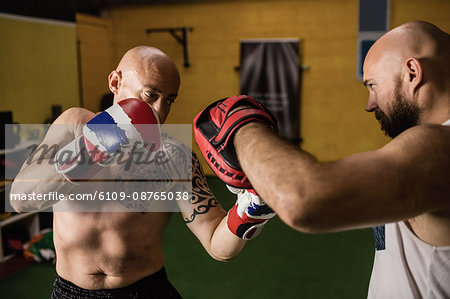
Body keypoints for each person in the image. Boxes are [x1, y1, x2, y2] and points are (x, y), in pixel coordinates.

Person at [195, 21, 450, 298]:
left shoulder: (441, 148)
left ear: (412, 72)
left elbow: (302, 198)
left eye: (373, 86)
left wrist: (241, 127)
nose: (370, 104)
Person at [10, 46, 275, 298]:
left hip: (147, 291)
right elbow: (20, 199)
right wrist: (92, 147)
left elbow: (217, 245)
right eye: (150, 95)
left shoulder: (174, 157)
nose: (159, 111)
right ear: (115, 82)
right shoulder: (74, 124)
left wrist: (249, 210)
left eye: (169, 100)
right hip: (71, 292)